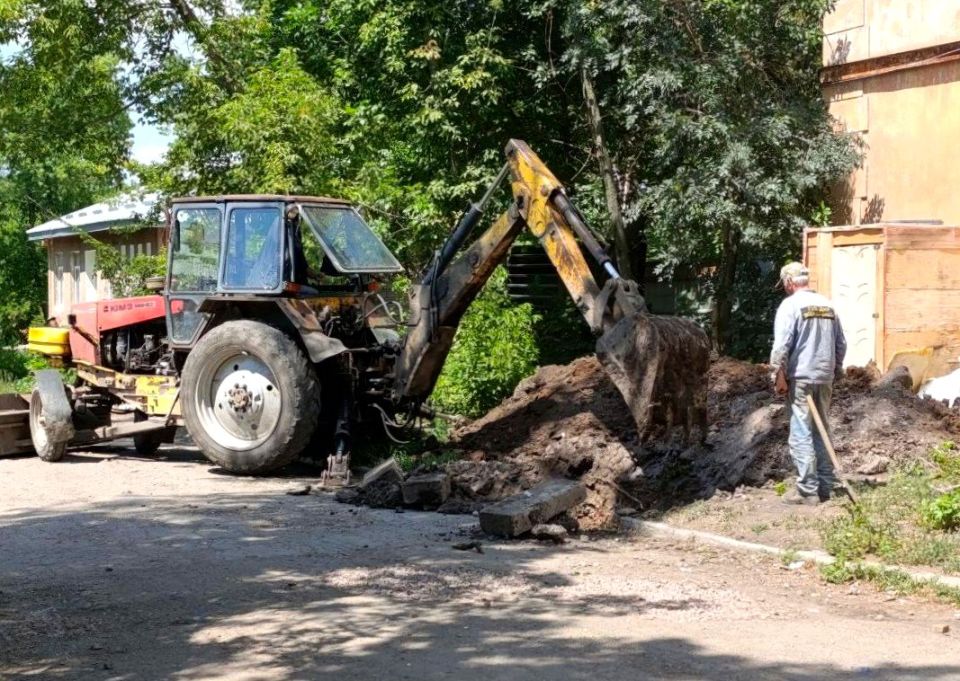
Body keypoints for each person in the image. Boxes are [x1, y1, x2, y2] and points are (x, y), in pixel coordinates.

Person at [769, 262, 847, 505]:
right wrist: (836, 369)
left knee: (801, 432)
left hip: (801, 378)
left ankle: (807, 490)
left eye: (784, 284)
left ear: (789, 283)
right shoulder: (828, 304)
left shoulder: (790, 305)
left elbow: (781, 345)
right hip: (824, 377)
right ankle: (826, 485)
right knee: (821, 428)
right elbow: (841, 343)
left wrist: (777, 375)